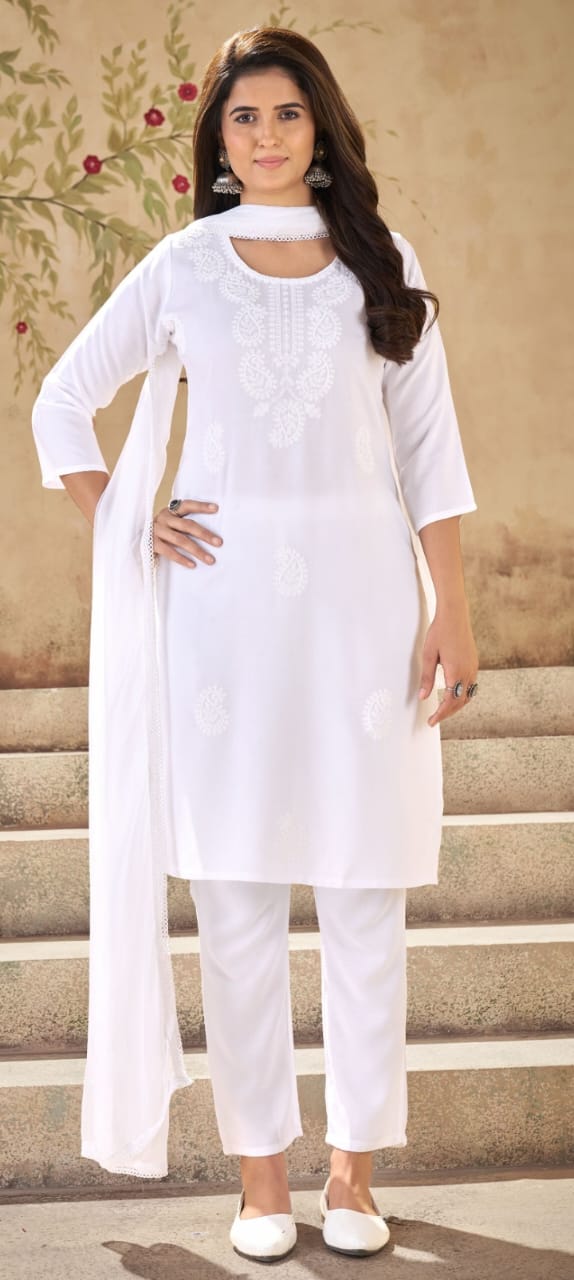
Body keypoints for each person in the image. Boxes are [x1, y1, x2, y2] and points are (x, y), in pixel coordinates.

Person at [31, 24, 479, 1265]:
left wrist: (450, 605)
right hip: (222, 624)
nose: (267, 135)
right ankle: (263, 1178)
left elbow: (430, 449)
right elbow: (62, 402)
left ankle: (354, 1170)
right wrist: (126, 515)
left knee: (364, 894)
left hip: (366, 612)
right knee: (233, 898)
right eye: (244, 117)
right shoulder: (183, 266)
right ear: (218, 141)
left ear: (318, 127)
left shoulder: (381, 261)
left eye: (286, 113)